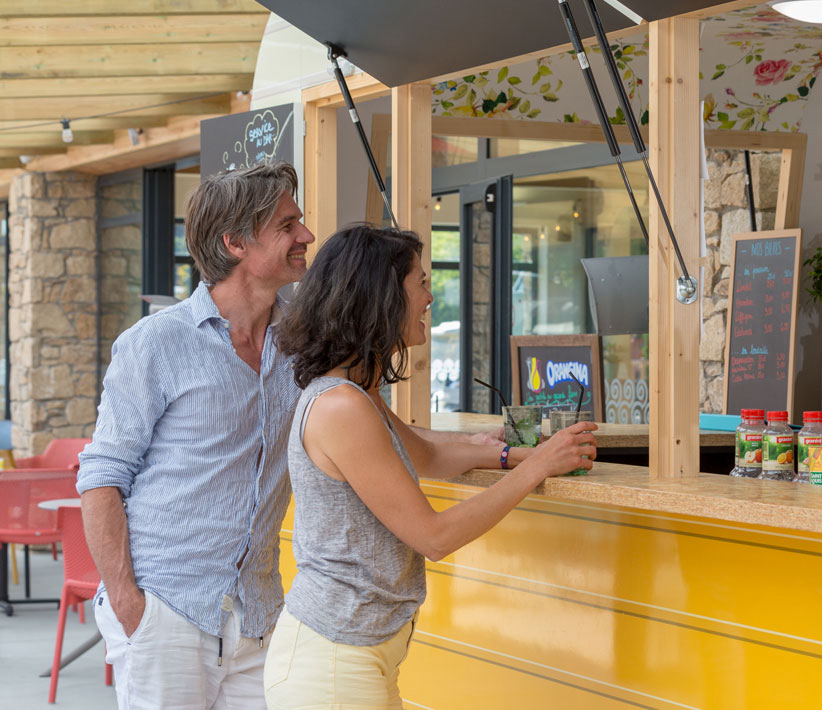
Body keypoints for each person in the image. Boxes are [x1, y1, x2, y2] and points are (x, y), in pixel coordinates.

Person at [264, 224, 597, 709]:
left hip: (353, 653)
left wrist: (514, 454)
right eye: (420, 282)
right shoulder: (342, 406)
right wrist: (536, 468)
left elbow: (426, 455)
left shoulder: (357, 393)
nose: (430, 297)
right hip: (333, 663)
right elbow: (434, 536)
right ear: (381, 296)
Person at [76, 163, 313, 708]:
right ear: (235, 243)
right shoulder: (155, 344)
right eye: (287, 225)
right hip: (167, 611)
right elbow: (102, 477)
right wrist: (130, 604)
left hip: (257, 614)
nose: (305, 235)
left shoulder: (305, 339)